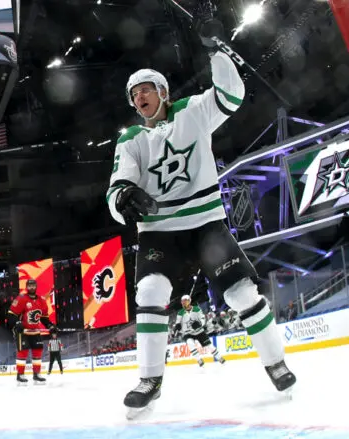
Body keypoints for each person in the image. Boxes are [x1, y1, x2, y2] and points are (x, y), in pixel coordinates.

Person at [106, 19, 295, 415]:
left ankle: (276, 363)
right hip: (160, 232)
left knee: (242, 293)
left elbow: (231, 94)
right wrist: (124, 198)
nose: (139, 97)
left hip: (206, 224)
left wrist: (216, 50)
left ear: (162, 92)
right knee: (150, 293)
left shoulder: (193, 111)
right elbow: (117, 185)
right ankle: (150, 379)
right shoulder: (130, 140)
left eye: (145, 90)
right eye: (133, 93)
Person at [7, 279, 54, 385]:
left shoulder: (42, 300)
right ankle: (20, 375)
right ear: (27, 287)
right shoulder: (21, 298)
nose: (31, 287)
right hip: (23, 331)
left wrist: (50, 325)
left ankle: (36, 374)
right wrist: (17, 323)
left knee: (38, 351)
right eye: (29, 286)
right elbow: (11, 314)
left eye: (33, 285)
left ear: (36, 287)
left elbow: (44, 318)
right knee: (23, 352)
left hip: (35, 331)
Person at [174, 295, 224, 368]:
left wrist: (199, 324)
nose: (184, 303)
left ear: (189, 301)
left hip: (199, 331)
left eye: (185, 301)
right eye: (182, 302)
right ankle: (199, 360)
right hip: (188, 333)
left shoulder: (197, 309)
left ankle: (220, 358)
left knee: (210, 346)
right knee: (190, 343)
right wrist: (177, 326)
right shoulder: (180, 313)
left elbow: (203, 319)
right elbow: (178, 323)